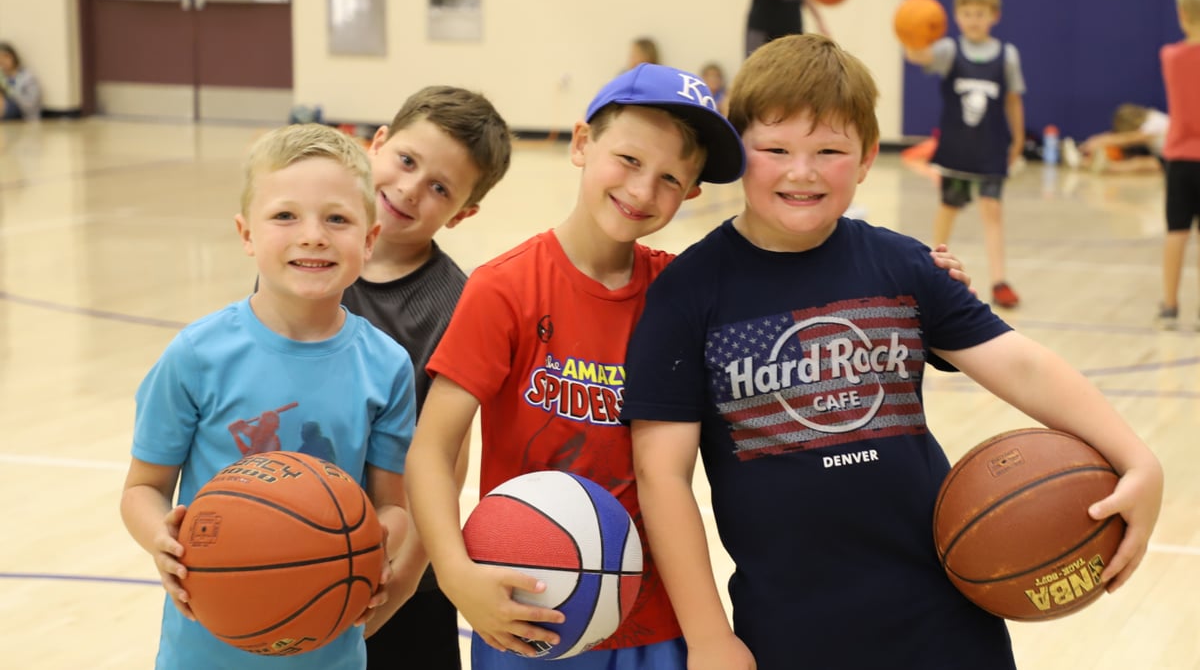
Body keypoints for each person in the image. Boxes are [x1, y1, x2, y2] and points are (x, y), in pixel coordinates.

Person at [619, 34, 1165, 670]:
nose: (803, 171)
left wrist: (1138, 459)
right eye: (775, 149)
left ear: (869, 156)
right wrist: (710, 637)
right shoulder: (689, 293)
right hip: (789, 625)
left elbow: (1020, 362)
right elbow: (663, 477)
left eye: (830, 151)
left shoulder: (901, 264)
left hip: (945, 613)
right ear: (741, 152)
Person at [404, 62, 973, 669]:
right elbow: (431, 451)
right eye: (628, 160)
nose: (643, 191)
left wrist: (928, 304)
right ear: (580, 143)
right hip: (531, 612)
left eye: (671, 178)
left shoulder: (684, 294)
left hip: (658, 617)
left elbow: (811, 340)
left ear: (694, 192)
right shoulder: (505, 287)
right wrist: (457, 575)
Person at [120, 123, 417, 670]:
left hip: (330, 649)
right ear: (246, 234)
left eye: (338, 218)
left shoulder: (387, 366)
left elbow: (393, 505)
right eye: (285, 216)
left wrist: (373, 552)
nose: (313, 235)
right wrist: (158, 537)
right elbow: (143, 488)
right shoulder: (197, 355)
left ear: (369, 240)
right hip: (204, 650)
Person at [348, 85, 513, 669]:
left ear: (463, 213)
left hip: (400, 580)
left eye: (439, 188)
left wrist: (402, 580)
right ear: (378, 144)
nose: (411, 189)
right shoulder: (306, 260)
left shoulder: (453, 305)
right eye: (407, 161)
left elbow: (446, 463)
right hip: (295, 554)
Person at [902, 0, 1026, 308]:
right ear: (956, 16)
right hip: (958, 150)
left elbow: (1013, 100)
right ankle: (933, 268)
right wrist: (908, 32)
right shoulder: (947, 50)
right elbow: (918, 56)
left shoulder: (1007, 55)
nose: (973, 19)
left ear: (993, 16)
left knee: (993, 211)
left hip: (991, 149)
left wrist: (1019, 138)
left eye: (979, 13)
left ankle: (999, 281)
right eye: (967, 13)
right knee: (949, 207)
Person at [1157, 0, 1200, 329]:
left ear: (1182, 14)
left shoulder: (1170, 56)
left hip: (1180, 160)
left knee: (1176, 232)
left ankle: (1170, 306)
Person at [1062, 103, 1169, 174]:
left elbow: (1128, 138)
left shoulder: (1154, 122)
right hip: (1167, 155)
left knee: (1140, 163)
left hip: (1172, 158)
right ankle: (1081, 160)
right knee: (1138, 160)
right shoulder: (1153, 118)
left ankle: (1086, 161)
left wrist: (1098, 141)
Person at [745, 0, 830, 57]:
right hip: (762, 26)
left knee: (794, 67)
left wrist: (819, 20)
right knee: (756, 66)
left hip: (791, 26)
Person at [0, 41, 41, 121]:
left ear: (14, 57)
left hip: (22, 113)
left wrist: (10, 91)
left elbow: (31, 104)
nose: (3, 60)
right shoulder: (1, 76)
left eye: (6, 57)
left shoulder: (28, 77)